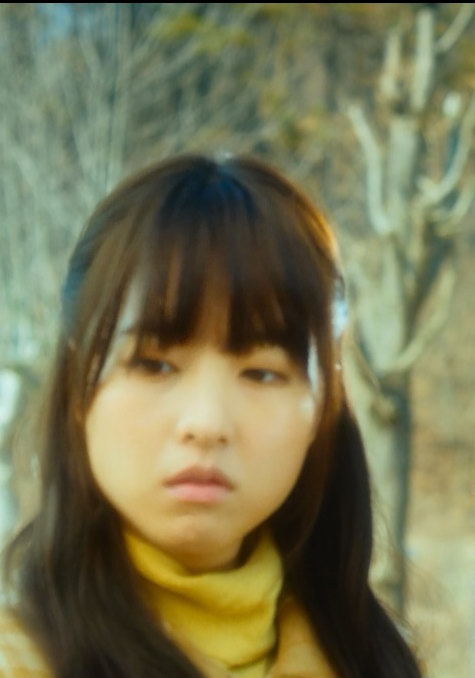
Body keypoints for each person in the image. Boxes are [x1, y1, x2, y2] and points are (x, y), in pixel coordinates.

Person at [0, 155, 423, 678]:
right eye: (154, 365)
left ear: (322, 409)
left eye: (261, 373)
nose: (206, 424)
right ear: (78, 390)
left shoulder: (374, 659)